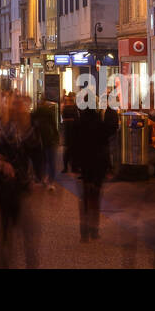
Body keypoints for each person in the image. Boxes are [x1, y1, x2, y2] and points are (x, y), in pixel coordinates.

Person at [0, 93, 42, 267]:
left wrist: (39, 179)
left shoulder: (29, 128)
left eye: (17, 104)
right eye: (7, 103)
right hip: (1, 189)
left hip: (23, 188)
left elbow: (37, 155)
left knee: (28, 236)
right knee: (3, 236)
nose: (12, 107)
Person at [68, 103, 111, 241]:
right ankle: (94, 230)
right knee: (95, 198)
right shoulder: (100, 124)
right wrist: (108, 166)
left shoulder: (78, 124)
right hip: (98, 165)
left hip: (84, 165)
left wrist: (73, 166)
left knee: (85, 198)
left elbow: (72, 146)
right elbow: (106, 146)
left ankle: (84, 233)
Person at [31, 97, 60, 188]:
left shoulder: (35, 113)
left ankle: (41, 178)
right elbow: (54, 125)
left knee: (42, 160)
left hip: (40, 140)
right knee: (51, 161)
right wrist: (56, 137)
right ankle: (51, 181)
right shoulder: (49, 112)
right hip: (50, 139)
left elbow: (32, 125)